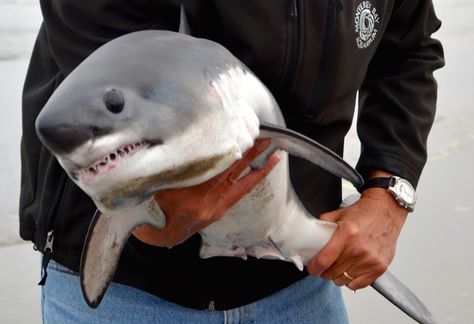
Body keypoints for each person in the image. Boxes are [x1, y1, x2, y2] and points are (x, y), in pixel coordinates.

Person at [20, 0, 444, 322]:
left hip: (300, 277)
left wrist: (390, 194)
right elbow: (109, 79)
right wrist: (144, 216)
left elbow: (406, 52)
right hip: (126, 292)